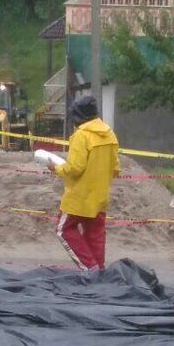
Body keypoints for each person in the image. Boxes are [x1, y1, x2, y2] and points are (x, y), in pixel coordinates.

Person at [48, 96, 120, 271]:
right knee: (95, 235)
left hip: (79, 197)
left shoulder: (81, 136)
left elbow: (75, 168)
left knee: (63, 229)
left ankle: (90, 268)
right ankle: (99, 272)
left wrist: (56, 168)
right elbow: (115, 168)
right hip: (100, 197)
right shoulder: (109, 133)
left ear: (78, 116)